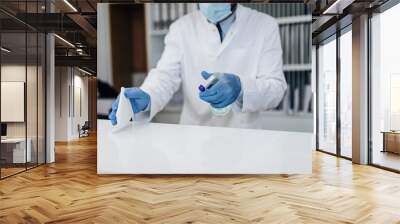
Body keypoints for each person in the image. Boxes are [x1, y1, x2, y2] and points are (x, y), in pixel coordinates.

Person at [109, 3, 287, 129]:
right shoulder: (181, 27)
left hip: (245, 138)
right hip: (194, 138)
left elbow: (276, 88)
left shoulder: (265, 25)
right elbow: (165, 76)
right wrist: (148, 95)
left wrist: (241, 87)